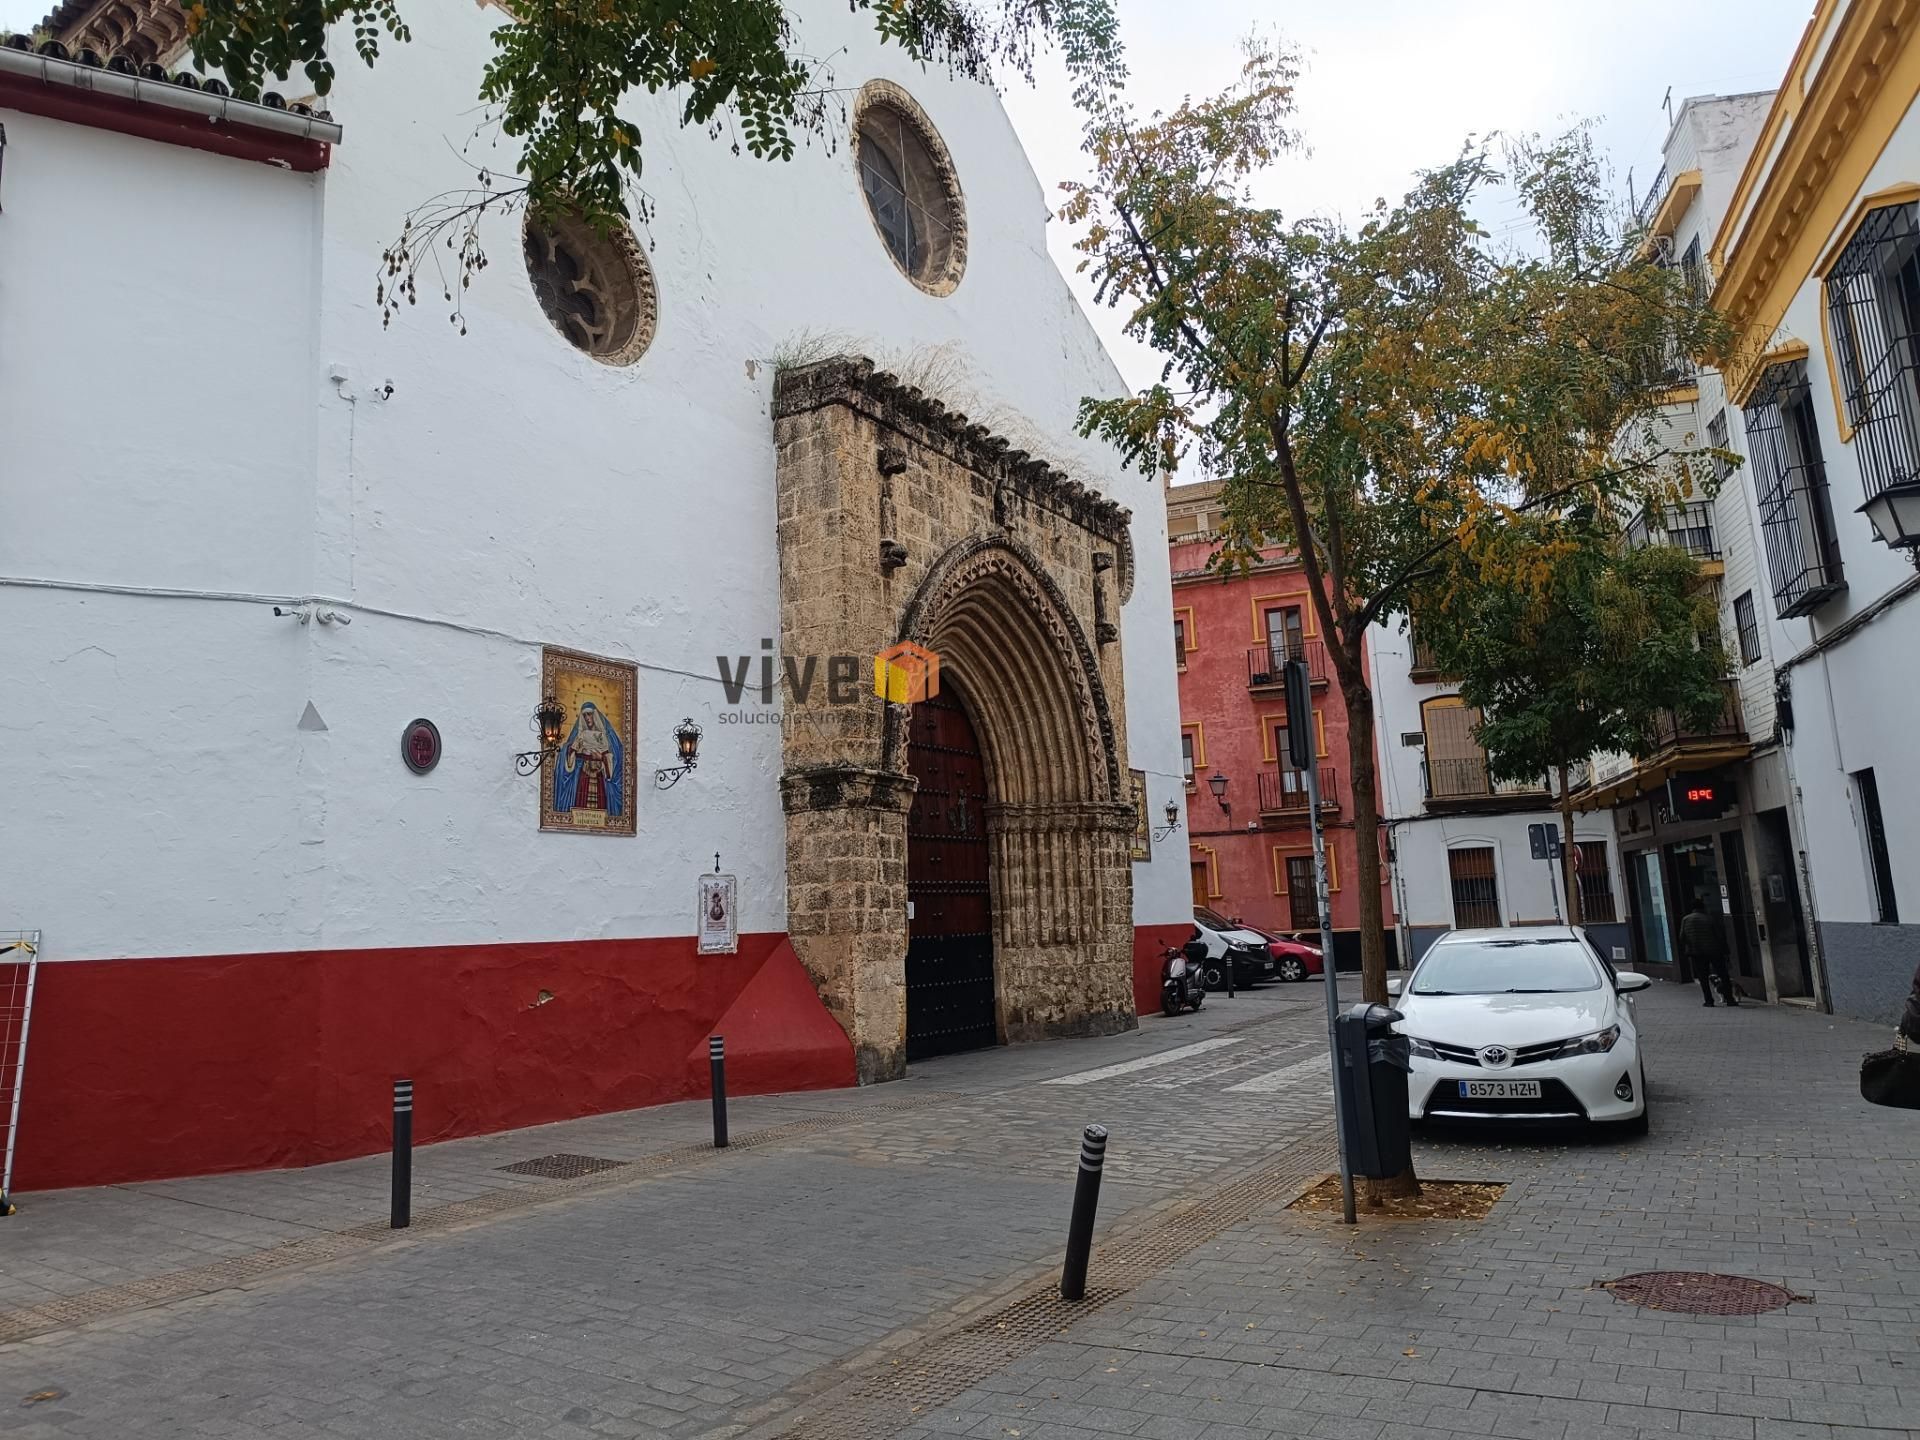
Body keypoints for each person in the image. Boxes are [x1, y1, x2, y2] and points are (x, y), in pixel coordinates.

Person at [1679, 897, 1738, 1007]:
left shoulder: (1686, 919)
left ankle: (1709, 1000)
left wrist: (1690, 945)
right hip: (1714, 951)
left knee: (1703, 977)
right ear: (1703, 907)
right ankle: (1729, 999)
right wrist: (1726, 950)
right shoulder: (1710, 918)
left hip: (1697, 952)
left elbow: (1682, 937)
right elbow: (1720, 936)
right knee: (1723, 975)